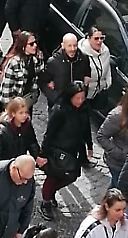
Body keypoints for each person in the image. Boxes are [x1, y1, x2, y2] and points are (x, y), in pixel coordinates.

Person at [37, 83, 91, 220]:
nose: (80, 101)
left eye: (82, 98)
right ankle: (46, 201)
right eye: (77, 98)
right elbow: (49, 134)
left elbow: (86, 128)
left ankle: (50, 192)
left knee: (72, 175)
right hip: (57, 149)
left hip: (73, 150)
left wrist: (89, 146)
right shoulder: (60, 110)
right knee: (54, 176)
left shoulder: (84, 109)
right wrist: (43, 154)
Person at [40, 33, 89, 109]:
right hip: (59, 105)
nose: (73, 49)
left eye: (75, 45)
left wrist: (83, 94)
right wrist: (55, 97)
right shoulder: (53, 62)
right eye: (69, 46)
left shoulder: (83, 59)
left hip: (78, 104)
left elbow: (87, 75)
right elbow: (43, 82)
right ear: (63, 46)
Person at [0, 29, 43, 109]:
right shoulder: (14, 63)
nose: (35, 45)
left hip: (26, 101)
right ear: (23, 46)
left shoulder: (35, 60)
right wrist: (9, 108)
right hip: (13, 104)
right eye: (31, 44)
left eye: (35, 42)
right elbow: (6, 88)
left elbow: (40, 76)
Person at [0, 97, 40, 165]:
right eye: (21, 113)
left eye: (26, 112)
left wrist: (37, 156)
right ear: (13, 114)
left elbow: (32, 143)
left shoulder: (27, 125)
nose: (24, 115)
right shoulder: (1, 132)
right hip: (6, 166)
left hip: (20, 164)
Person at [78, 26, 112, 107]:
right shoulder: (81, 54)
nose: (99, 41)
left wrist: (107, 83)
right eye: (96, 38)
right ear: (89, 38)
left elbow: (108, 68)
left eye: (102, 38)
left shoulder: (105, 51)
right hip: (85, 95)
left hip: (100, 93)